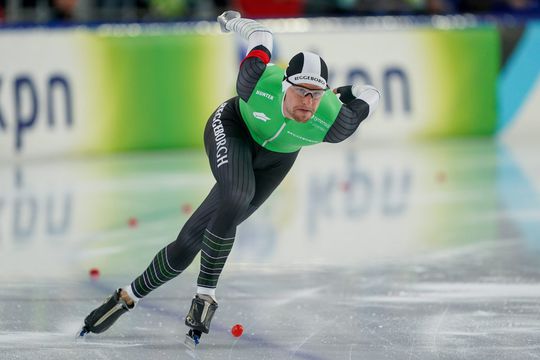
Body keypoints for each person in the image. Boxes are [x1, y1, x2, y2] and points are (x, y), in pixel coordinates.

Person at [79, 10, 381, 345]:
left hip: (276, 160)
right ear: (284, 84)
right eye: (301, 91)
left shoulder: (334, 123)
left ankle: (126, 297)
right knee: (237, 195)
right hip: (232, 128)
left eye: (316, 94)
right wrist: (230, 20)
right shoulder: (257, 82)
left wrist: (345, 91)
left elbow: (372, 94)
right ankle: (204, 296)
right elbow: (261, 37)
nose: (308, 102)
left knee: (188, 244)